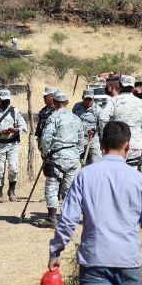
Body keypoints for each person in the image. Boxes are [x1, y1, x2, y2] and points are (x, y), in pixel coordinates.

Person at [48, 121, 142, 285]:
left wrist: (56, 251)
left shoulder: (85, 176)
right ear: (128, 146)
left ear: (101, 146)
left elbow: (67, 220)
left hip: (94, 260)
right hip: (128, 261)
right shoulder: (139, 180)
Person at [39, 90, 84, 228]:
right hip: (73, 157)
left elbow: (46, 138)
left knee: (52, 186)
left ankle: (52, 218)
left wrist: (45, 153)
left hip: (57, 157)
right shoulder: (76, 118)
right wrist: (77, 153)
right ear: (67, 103)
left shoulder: (54, 117)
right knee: (69, 188)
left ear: (55, 103)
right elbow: (81, 140)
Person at [98, 74, 142, 171]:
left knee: (116, 175)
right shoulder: (141, 103)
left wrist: (104, 138)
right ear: (133, 88)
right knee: (131, 175)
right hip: (135, 146)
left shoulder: (113, 101)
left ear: (120, 85)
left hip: (117, 145)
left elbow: (103, 118)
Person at [0, 89, 28, 203]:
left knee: (13, 168)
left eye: (7, 100)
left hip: (12, 144)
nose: (5, 102)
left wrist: (16, 130)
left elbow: (24, 126)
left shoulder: (15, 111)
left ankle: (12, 191)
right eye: (3, 100)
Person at [72, 89, 102, 165]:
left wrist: (95, 130)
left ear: (93, 99)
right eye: (86, 99)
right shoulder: (77, 106)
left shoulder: (98, 110)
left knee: (96, 158)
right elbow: (72, 120)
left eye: (90, 99)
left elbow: (101, 126)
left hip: (92, 138)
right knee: (73, 159)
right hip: (78, 138)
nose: (88, 101)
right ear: (82, 98)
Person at [35, 87, 57, 154]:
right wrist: (39, 141)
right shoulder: (43, 111)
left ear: (52, 97)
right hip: (44, 145)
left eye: (46, 96)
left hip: (53, 145)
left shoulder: (57, 111)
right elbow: (39, 127)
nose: (43, 97)